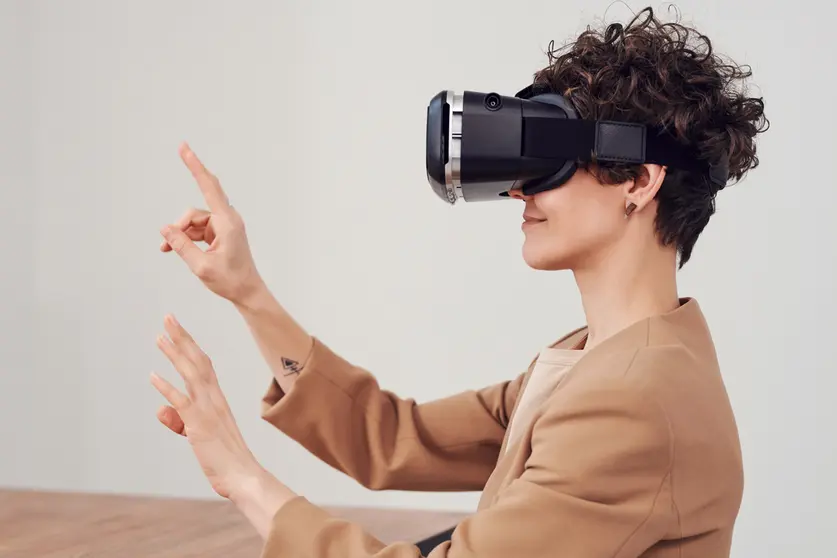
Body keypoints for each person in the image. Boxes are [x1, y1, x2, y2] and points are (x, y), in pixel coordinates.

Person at [151, 7, 768, 558]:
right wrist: (247, 292)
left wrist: (239, 474)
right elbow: (394, 440)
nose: (519, 189)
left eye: (546, 159)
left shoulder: (636, 400)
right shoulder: (598, 361)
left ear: (638, 181)